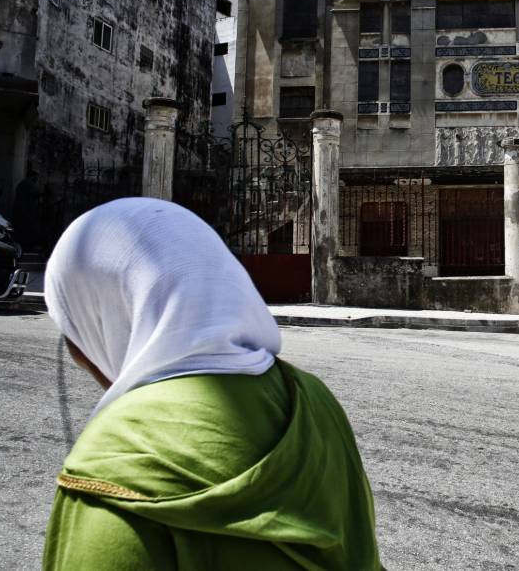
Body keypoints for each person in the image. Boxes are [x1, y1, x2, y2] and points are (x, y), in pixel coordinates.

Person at [42, 198, 384, 570]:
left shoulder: (114, 462)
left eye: (71, 325)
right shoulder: (314, 399)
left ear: (103, 314)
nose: (75, 353)